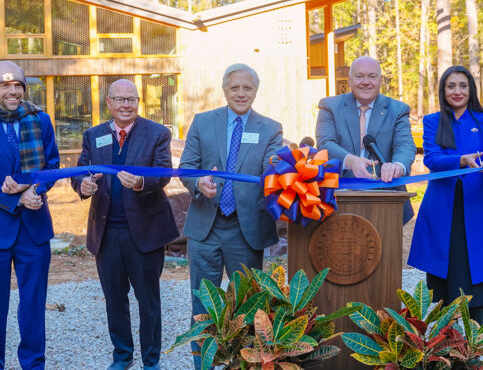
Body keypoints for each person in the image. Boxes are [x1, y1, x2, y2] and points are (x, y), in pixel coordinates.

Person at [179, 63, 282, 368]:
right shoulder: (202, 122)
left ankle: (243, 365)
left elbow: (272, 168)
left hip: (246, 229)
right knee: (203, 306)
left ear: (255, 91)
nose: (240, 93)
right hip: (205, 228)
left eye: (247, 88)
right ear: (224, 90)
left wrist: (282, 166)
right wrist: (199, 182)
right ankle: (204, 365)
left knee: (247, 307)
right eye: (234, 87)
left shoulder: (270, 128)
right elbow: (187, 166)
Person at [71, 79, 179, 370]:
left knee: (148, 300)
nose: (125, 105)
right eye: (119, 99)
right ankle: (122, 356)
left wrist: (143, 182)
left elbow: (163, 172)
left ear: (138, 102)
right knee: (114, 299)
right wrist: (82, 185)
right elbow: (80, 172)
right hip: (106, 233)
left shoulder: (156, 133)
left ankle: (151, 360)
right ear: (108, 103)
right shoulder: (93, 135)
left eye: (131, 99)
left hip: (145, 232)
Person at [408, 66, 483, 326]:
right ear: (443, 90)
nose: (457, 91)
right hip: (441, 210)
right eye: (451, 86)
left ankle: (472, 348)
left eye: (463, 85)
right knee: (441, 284)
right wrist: (461, 160)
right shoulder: (432, 121)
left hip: (477, 207)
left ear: (471, 88)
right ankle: (443, 349)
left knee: (477, 281)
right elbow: (432, 159)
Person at [0, 61, 59, 369]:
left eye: (18, 85)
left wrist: (33, 189)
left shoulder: (41, 120)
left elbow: (52, 167)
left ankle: (33, 364)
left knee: (33, 305)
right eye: (4, 85)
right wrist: (12, 195)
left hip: (34, 228)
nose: (13, 91)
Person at [315, 56, 416, 222]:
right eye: (359, 76)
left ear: (380, 80)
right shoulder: (329, 106)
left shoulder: (398, 110)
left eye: (372, 76)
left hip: (386, 201)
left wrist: (397, 166)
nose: (366, 81)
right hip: (336, 198)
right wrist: (350, 161)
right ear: (349, 80)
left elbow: (405, 146)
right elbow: (325, 143)